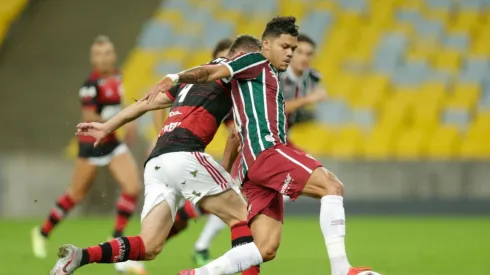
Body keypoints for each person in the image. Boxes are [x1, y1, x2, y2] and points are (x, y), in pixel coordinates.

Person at [144, 16, 379, 275]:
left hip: (251, 168)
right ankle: (341, 269)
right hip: (266, 152)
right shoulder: (256, 61)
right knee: (332, 186)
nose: (290, 53)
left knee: (265, 247)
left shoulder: (270, 77)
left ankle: (198, 273)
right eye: (285, 47)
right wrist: (174, 77)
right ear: (265, 45)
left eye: (294, 48)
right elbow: (212, 72)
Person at [49, 35, 263, 275]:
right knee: (246, 218)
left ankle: (81, 256)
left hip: (157, 162)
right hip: (186, 155)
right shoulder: (234, 75)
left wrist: (107, 126)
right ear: (244, 57)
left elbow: (146, 103)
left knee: (149, 245)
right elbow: (236, 134)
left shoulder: (190, 80)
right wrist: (224, 169)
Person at [31, 34, 146, 275]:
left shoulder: (117, 75)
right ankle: (42, 232)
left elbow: (118, 102)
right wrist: (119, 121)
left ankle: (115, 238)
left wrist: (129, 120)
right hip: (91, 145)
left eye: (108, 53)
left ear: (113, 55)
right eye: (100, 54)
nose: (105, 57)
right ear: (93, 59)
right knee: (76, 194)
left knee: (133, 187)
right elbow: (89, 118)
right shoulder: (90, 85)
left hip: (112, 142)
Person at [159, 38, 233, 266]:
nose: (225, 63)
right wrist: (161, 135)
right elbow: (155, 101)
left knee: (230, 205)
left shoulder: (229, 88)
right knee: (177, 215)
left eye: (230, 59)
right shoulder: (201, 87)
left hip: (195, 157)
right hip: (185, 156)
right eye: (221, 58)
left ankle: (200, 247)